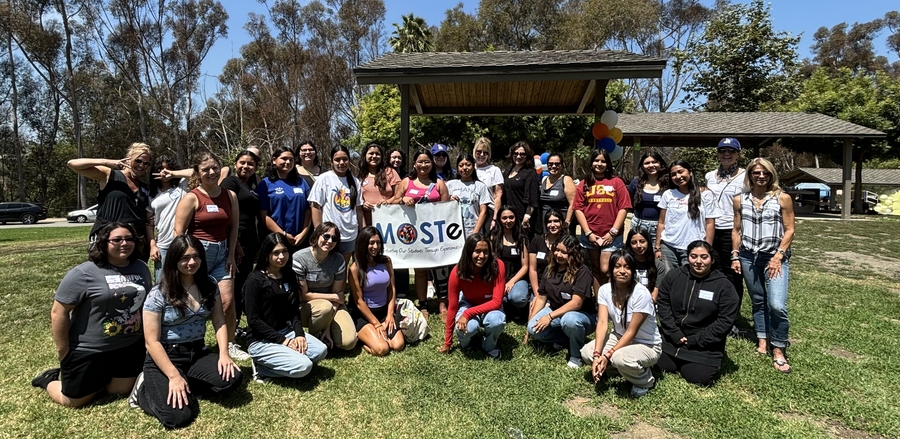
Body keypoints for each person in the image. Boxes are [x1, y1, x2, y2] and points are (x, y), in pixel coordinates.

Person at [31, 223, 152, 407]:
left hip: (129, 346)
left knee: (120, 390)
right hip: (91, 348)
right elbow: (58, 312)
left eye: (129, 239)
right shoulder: (84, 273)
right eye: (117, 240)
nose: (124, 243)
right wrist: (63, 351)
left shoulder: (141, 268)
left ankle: (97, 380)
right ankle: (49, 380)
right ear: (103, 243)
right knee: (73, 401)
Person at [133, 235, 243, 429]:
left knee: (232, 378)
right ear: (174, 260)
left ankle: (185, 381)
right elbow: (151, 342)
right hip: (166, 356)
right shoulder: (159, 293)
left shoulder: (209, 284)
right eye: (185, 258)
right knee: (178, 417)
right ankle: (143, 390)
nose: (192, 262)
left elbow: (219, 321)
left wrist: (224, 354)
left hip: (197, 352)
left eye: (196, 256)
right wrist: (173, 376)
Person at [173, 152, 248, 361]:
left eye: (215, 167)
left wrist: (231, 254)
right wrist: (186, 259)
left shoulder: (230, 196)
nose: (212, 172)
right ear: (197, 173)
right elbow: (178, 232)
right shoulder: (192, 198)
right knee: (194, 302)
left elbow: (233, 228)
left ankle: (230, 343)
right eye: (206, 169)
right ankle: (193, 342)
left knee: (227, 302)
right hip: (198, 256)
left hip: (223, 254)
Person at [732, 158, 795, 374]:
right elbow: (736, 229)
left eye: (765, 173)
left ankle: (779, 347)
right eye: (756, 173)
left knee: (776, 305)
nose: (761, 176)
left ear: (771, 175)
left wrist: (779, 255)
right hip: (748, 256)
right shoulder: (740, 199)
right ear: (749, 175)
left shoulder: (782, 198)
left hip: (774, 257)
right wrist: (735, 255)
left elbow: (789, 229)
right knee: (758, 300)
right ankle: (762, 340)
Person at [244, 233, 328, 382]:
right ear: (266, 255)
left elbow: (294, 311)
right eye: (276, 253)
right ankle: (261, 368)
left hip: (285, 331)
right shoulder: (254, 281)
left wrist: (299, 335)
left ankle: (285, 358)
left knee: (321, 351)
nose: (281, 256)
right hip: (261, 340)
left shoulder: (289, 274)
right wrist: (284, 341)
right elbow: (254, 320)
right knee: (304, 367)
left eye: (284, 251)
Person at [657, 240, 739, 386]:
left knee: (699, 377)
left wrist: (696, 340)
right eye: (693, 256)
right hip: (672, 338)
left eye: (704, 257)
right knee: (660, 364)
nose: (698, 261)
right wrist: (673, 332)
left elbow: (725, 320)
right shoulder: (674, 276)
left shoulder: (724, 286)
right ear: (688, 257)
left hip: (704, 345)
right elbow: (663, 304)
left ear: (712, 259)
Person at [580, 250, 661, 397]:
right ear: (611, 269)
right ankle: (623, 369)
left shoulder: (641, 294)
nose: (622, 271)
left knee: (619, 358)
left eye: (627, 267)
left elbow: (631, 332)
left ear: (633, 270)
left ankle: (645, 380)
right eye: (617, 266)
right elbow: (602, 323)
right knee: (587, 353)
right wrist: (597, 355)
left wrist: (607, 356)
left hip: (647, 344)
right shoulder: (604, 290)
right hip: (619, 336)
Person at [67, 143, 154, 261]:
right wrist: (107, 162)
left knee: (135, 272)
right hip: (108, 239)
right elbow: (72, 164)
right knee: (103, 271)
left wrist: (151, 243)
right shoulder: (110, 175)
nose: (142, 165)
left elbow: (147, 218)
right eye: (138, 161)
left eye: (146, 163)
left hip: (135, 242)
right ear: (128, 159)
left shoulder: (144, 188)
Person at [390, 148, 450, 317]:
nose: (423, 165)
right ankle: (423, 305)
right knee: (421, 270)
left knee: (440, 269)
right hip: (414, 235)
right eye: (420, 162)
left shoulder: (439, 184)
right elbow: (392, 202)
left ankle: (443, 304)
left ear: (432, 163)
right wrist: (402, 199)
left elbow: (448, 210)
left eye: (427, 162)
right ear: (414, 164)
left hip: (436, 234)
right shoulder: (406, 182)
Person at [527, 235, 596, 368]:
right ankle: (566, 339)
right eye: (557, 250)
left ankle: (576, 356)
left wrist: (549, 317)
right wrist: (530, 323)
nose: (558, 254)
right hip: (556, 309)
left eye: (564, 252)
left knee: (569, 320)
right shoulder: (550, 269)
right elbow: (541, 298)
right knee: (533, 329)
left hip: (582, 315)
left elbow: (576, 303)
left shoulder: (582, 272)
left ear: (573, 254)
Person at [292, 222, 358, 351]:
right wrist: (333, 297)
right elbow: (303, 295)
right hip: (305, 307)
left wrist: (327, 326)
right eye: (326, 236)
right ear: (317, 236)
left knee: (349, 342)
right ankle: (315, 340)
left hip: (333, 306)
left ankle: (327, 334)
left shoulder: (338, 260)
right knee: (324, 307)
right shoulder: (299, 258)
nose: (330, 241)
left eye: (334, 238)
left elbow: (338, 297)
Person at [439, 233, 506, 359]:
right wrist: (447, 342)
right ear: (468, 252)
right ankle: (465, 344)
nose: (482, 256)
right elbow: (452, 308)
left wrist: (467, 313)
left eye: (486, 252)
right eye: (477, 251)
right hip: (468, 302)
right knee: (468, 328)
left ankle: (489, 346)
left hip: (491, 305)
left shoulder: (498, 266)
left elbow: (497, 302)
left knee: (497, 321)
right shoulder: (457, 272)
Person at [573, 149, 632, 285]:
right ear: (591, 163)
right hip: (591, 234)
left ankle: (612, 295)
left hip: (612, 235)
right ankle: (599, 298)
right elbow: (578, 209)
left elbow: (624, 208)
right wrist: (588, 233)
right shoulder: (584, 184)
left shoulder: (617, 182)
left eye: (603, 161)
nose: (599, 164)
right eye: (596, 160)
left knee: (606, 269)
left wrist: (613, 232)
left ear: (608, 164)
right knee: (595, 268)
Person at [219, 149, 262, 329]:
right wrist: (235, 244)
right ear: (235, 164)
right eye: (242, 163)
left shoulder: (251, 184)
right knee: (235, 282)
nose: (246, 166)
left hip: (250, 237)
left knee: (245, 279)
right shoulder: (231, 182)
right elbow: (226, 212)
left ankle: (242, 322)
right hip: (237, 237)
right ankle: (232, 326)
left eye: (250, 164)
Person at [348, 227, 405, 356]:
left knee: (398, 345)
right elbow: (359, 302)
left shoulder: (386, 261)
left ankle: (374, 336)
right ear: (363, 244)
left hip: (384, 312)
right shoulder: (354, 269)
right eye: (371, 243)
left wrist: (390, 315)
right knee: (382, 349)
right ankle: (363, 341)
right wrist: (377, 325)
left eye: (378, 242)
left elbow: (392, 289)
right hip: (364, 315)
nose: (375, 246)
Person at [655, 160, 720, 271]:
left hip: (694, 248)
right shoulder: (668, 194)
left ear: (690, 172)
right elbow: (661, 222)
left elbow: (710, 224)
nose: (678, 176)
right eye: (673, 174)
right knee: (670, 278)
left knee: (690, 278)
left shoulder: (705, 194)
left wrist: (707, 248)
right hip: (668, 247)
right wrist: (657, 247)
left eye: (681, 172)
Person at [309, 145, 365, 262]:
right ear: (331, 161)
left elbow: (359, 209)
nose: (341, 163)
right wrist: (320, 232)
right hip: (329, 236)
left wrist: (363, 232)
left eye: (345, 159)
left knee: (343, 267)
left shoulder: (355, 181)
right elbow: (315, 206)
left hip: (350, 235)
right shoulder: (324, 178)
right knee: (326, 266)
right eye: (337, 160)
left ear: (349, 160)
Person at [706, 138, 746, 301]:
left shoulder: (746, 176)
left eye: (731, 151)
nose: (726, 154)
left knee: (732, 272)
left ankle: (732, 309)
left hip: (732, 230)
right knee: (713, 269)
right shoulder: (710, 176)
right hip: (711, 228)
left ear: (738, 154)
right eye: (722, 151)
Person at [257, 146, 312, 251]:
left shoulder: (301, 182)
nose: (288, 162)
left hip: (299, 240)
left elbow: (308, 209)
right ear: (274, 160)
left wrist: (304, 233)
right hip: (275, 241)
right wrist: (283, 234)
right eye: (284, 159)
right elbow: (263, 216)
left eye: (291, 160)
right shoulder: (265, 183)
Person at [149, 156, 188, 281]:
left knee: (183, 280)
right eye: (160, 169)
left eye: (167, 169)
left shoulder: (182, 186)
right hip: (163, 245)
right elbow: (148, 223)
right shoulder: (151, 194)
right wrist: (153, 246)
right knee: (162, 282)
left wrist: (173, 174)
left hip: (183, 243)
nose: (164, 172)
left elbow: (196, 171)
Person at [490, 205, 531, 313]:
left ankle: (516, 305)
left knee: (518, 298)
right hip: (498, 277)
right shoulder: (493, 237)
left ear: (516, 218)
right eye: (504, 218)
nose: (508, 221)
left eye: (511, 217)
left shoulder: (522, 238)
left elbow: (525, 266)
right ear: (499, 219)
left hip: (517, 278)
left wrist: (511, 282)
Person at [384, 147, 411, 299]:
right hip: (386, 217)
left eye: (399, 157)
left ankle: (402, 289)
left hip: (403, 219)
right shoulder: (384, 173)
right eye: (393, 157)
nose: (396, 160)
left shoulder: (408, 176)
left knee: (402, 252)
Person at [628, 151, 668, 250]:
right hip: (638, 225)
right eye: (647, 163)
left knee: (657, 254)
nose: (651, 165)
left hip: (660, 227)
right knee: (636, 253)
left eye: (654, 162)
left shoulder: (668, 183)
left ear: (660, 164)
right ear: (642, 166)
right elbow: (629, 201)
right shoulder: (635, 183)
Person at [445, 153, 491, 237]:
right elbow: (442, 206)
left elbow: (483, 212)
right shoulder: (450, 185)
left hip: (473, 231)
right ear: (457, 168)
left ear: (473, 167)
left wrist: (475, 233)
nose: (464, 168)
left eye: (468, 165)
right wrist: (450, 200)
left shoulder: (481, 186)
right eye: (461, 165)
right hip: (453, 232)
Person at [357, 142, 401, 226]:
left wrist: (388, 201)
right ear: (365, 155)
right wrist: (363, 204)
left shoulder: (390, 172)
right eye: (371, 153)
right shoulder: (359, 176)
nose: (374, 156)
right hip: (367, 224)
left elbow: (399, 195)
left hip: (389, 223)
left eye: (377, 154)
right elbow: (356, 200)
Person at [501, 141, 540, 235]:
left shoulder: (530, 173)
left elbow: (533, 199)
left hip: (522, 219)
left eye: (522, 154)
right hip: (508, 218)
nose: (518, 156)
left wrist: (527, 217)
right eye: (516, 153)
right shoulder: (508, 170)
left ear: (527, 156)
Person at [528, 209, 566, 301]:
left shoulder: (567, 242)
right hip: (540, 287)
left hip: (559, 288)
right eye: (549, 222)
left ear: (562, 223)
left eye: (556, 221)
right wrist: (537, 294)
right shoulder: (537, 241)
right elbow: (532, 269)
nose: (552, 225)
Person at [624, 227, 668, 303]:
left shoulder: (658, 266)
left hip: (648, 303)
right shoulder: (625, 263)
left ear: (648, 242)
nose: (638, 245)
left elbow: (654, 296)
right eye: (634, 242)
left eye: (642, 241)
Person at [538, 153, 576, 235]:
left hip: (561, 224)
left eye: (557, 164)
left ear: (562, 165)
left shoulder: (566, 180)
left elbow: (573, 204)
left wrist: (567, 223)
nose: (554, 166)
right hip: (547, 224)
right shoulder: (544, 180)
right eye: (550, 164)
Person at [472, 137, 504, 232]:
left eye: (485, 153)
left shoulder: (494, 170)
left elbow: (498, 195)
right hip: (472, 210)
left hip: (489, 212)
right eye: (479, 152)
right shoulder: (470, 168)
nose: (482, 155)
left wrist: (495, 218)